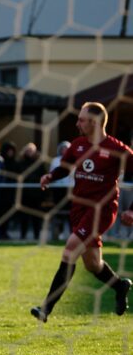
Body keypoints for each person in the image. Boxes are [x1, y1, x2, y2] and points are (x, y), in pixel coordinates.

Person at [32, 102, 133, 322]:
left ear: (95, 122)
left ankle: (46, 309)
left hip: (101, 211)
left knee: (70, 250)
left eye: (81, 119)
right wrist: (51, 177)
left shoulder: (117, 149)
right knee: (93, 264)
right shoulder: (77, 145)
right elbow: (65, 167)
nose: (77, 123)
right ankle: (120, 286)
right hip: (79, 209)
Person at [16, 143, 45, 240]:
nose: (30, 152)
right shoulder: (20, 163)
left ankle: (37, 236)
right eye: (28, 150)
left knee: (36, 217)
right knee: (24, 217)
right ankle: (23, 236)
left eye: (32, 150)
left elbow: (43, 176)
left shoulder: (39, 164)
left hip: (36, 195)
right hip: (24, 195)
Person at [49, 141, 74, 240]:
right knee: (59, 211)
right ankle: (59, 233)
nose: (65, 150)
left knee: (71, 212)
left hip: (71, 189)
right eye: (63, 148)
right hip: (58, 190)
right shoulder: (55, 160)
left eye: (67, 149)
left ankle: (72, 233)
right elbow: (52, 173)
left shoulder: (75, 160)